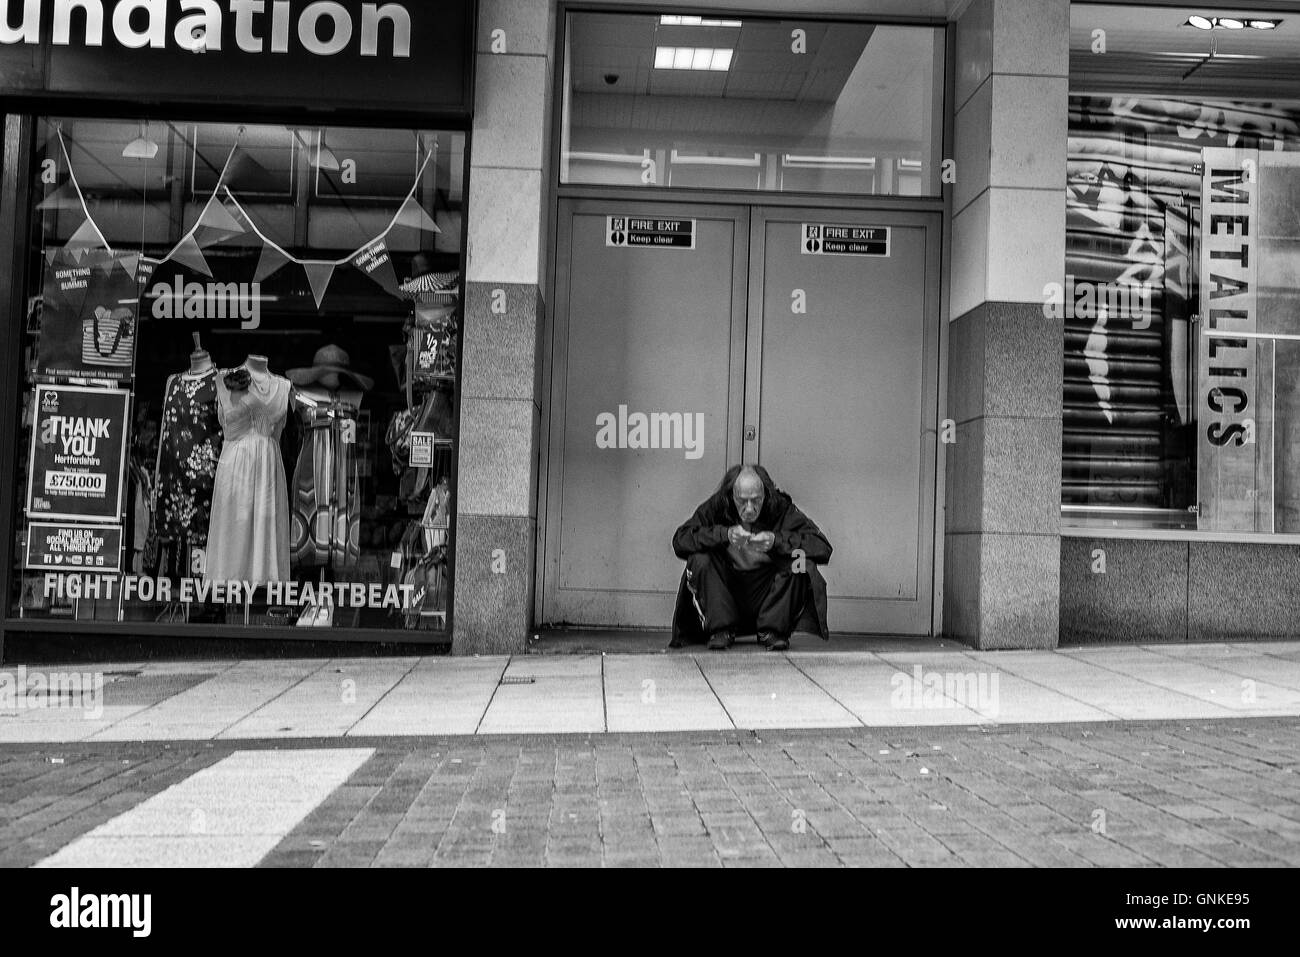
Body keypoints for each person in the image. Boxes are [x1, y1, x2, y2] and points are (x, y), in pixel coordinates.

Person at [669, 464, 832, 651]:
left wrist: (776, 541)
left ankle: (771, 631)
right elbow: (681, 540)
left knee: (800, 562)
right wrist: (724, 534)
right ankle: (721, 630)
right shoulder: (718, 505)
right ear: (732, 495)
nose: (749, 508)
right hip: (723, 594)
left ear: (766, 495)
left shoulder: (780, 507)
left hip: (768, 595)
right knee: (699, 558)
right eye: (742, 501)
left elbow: (821, 547)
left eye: (756, 500)